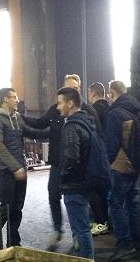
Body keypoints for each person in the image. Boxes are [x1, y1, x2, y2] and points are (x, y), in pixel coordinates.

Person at [22, 74, 101, 251]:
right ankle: (58, 229)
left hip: (80, 168)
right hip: (59, 163)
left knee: (77, 203)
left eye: (74, 87)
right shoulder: (56, 111)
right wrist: (21, 120)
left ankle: (78, 236)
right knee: (54, 195)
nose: (71, 90)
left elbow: (97, 138)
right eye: (68, 87)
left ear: (78, 90)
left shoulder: (87, 112)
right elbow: (41, 124)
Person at [0, 87, 49, 246]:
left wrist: (53, 131)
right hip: (4, 170)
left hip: (20, 169)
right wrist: (15, 167)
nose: (17, 100)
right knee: (7, 206)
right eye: (14, 97)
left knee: (17, 207)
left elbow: (31, 132)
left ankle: (13, 242)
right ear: (5, 99)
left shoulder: (17, 117)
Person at [105, 80, 140, 262]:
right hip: (137, 164)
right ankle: (135, 239)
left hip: (121, 165)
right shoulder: (137, 110)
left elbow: (112, 144)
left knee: (116, 203)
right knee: (132, 202)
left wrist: (108, 163)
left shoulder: (114, 114)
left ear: (112, 93)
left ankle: (125, 244)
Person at [56, 86, 94, 259]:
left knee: (81, 229)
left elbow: (71, 157)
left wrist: (62, 177)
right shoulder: (86, 122)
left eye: (60, 103)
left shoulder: (71, 126)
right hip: (85, 181)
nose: (58, 107)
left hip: (74, 185)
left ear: (70, 103)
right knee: (83, 227)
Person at [87, 81, 111, 236]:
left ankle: (100, 222)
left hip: (96, 157)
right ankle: (105, 221)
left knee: (95, 191)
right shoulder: (110, 109)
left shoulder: (93, 111)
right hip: (109, 155)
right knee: (105, 191)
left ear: (93, 93)